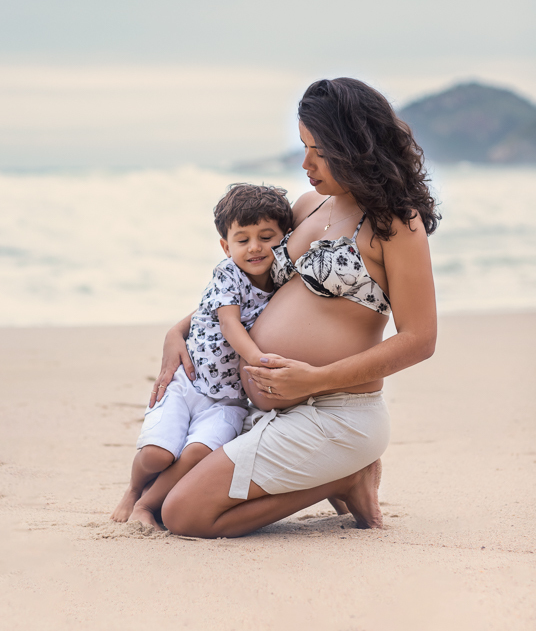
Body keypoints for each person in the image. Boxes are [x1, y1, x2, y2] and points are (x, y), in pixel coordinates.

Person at [150, 77, 440, 538]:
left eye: (319, 151)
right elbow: (251, 287)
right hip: (269, 409)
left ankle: (346, 477)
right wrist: (178, 330)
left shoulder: (395, 225)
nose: (305, 163)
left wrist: (315, 379)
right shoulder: (309, 205)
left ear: (356, 146)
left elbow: (419, 339)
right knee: (160, 496)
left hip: (337, 412)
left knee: (184, 515)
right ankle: (337, 475)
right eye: (303, 147)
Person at [111, 183, 293, 527]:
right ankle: (133, 490)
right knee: (156, 455)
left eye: (266, 237)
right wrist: (257, 358)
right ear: (226, 246)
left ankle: (146, 504)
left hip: (229, 401)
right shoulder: (228, 274)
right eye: (242, 240)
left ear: (285, 238)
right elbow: (229, 323)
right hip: (187, 383)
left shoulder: (285, 283)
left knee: (197, 453)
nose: (254, 247)